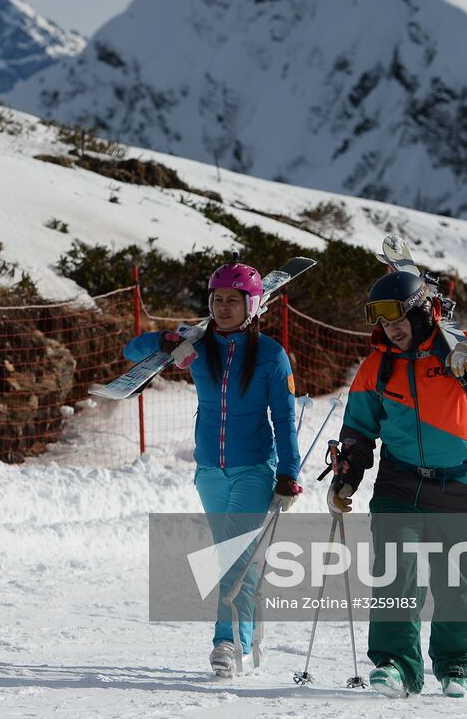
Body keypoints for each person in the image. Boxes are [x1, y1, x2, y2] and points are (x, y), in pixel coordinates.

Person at [328, 269, 467, 699]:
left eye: (398, 321)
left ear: (420, 313)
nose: (391, 331)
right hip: (400, 483)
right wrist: (347, 477)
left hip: (462, 483)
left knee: (455, 583)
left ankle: (456, 665)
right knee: (395, 576)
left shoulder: (458, 350)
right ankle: (396, 664)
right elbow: (358, 431)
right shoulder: (377, 367)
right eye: (384, 324)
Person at [124, 263, 301, 677]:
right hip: (209, 472)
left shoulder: (273, 356)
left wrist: (288, 474)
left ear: (251, 305)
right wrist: (168, 341)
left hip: (255, 469)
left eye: (232, 301)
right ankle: (249, 625)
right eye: (217, 300)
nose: (223, 308)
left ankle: (226, 641)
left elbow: (285, 419)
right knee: (236, 559)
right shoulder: (200, 345)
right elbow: (133, 350)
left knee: (234, 559)